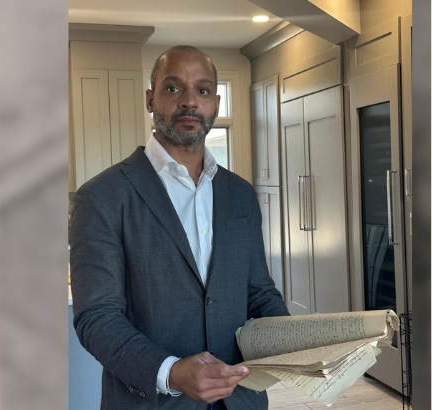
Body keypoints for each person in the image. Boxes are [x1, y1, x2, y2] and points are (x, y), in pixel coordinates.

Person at [70, 45, 290, 410]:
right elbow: (97, 317)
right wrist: (170, 372)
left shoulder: (240, 195)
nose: (190, 102)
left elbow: (259, 292)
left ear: (215, 103)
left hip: (242, 400)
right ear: (150, 99)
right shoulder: (103, 196)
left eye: (202, 91)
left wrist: (295, 341)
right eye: (174, 88)